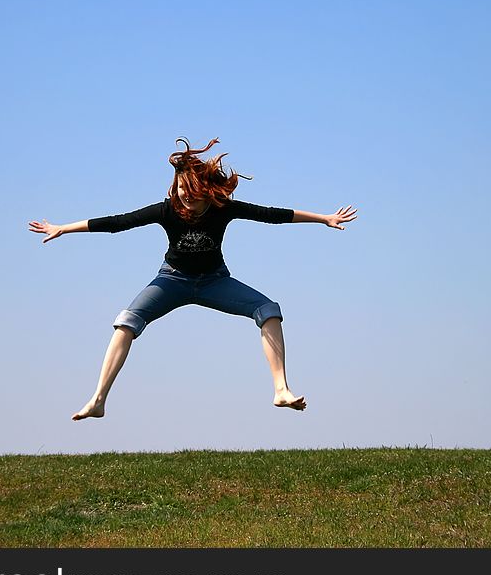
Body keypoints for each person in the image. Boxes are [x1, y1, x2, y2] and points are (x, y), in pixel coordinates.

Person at [28, 137, 357, 421]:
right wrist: (63, 227)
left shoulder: (223, 207)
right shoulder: (166, 209)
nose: (185, 196)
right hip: (172, 281)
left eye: (191, 192)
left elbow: (272, 215)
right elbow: (118, 222)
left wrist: (324, 218)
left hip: (215, 282)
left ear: (206, 191)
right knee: (126, 320)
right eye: (181, 189)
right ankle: (98, 400)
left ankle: (281, 390)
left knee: (269, 309)